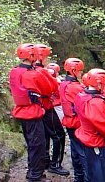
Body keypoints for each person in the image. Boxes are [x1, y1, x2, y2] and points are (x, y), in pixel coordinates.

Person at [9, 43, 51, 182]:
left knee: (31, 143)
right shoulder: (32, 74)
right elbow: (47, 90)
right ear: (32, 56)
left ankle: (32, 171)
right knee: (38, 145)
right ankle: (35, 176)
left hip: (21, 111)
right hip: (32, 112)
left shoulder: (15, 71)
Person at [74, 68, 105, 182]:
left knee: (90, 171)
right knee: (101, 175)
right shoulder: (96, 102)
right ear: (100, 84)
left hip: (87, 137)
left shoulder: (81, 95)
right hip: (96, 142)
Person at [34, 44, 69, 176]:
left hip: (40, 107)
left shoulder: (32, 69)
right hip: (46, 106)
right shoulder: (40, 71)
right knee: (59, 135)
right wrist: (54, 80)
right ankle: (55, 165)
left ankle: (46, 161)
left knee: (46, 135)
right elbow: (52, 88)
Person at [60, 57, 89, 182]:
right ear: (73, 71)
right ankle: (83, 176)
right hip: (77, 122)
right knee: (82, 151)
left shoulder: (63, 84)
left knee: (74, 148)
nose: (81, 73)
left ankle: (78, 175)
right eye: (80, 71)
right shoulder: (75, 87)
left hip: (69, 121)